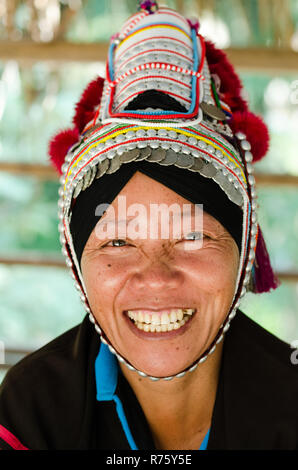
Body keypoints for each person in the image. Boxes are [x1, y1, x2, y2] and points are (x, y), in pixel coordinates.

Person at [0, 2, 297, 451]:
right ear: (79, 265)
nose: (156, 279)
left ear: (244, 253)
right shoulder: (29, 414)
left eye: (192, 237)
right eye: (118, 240)